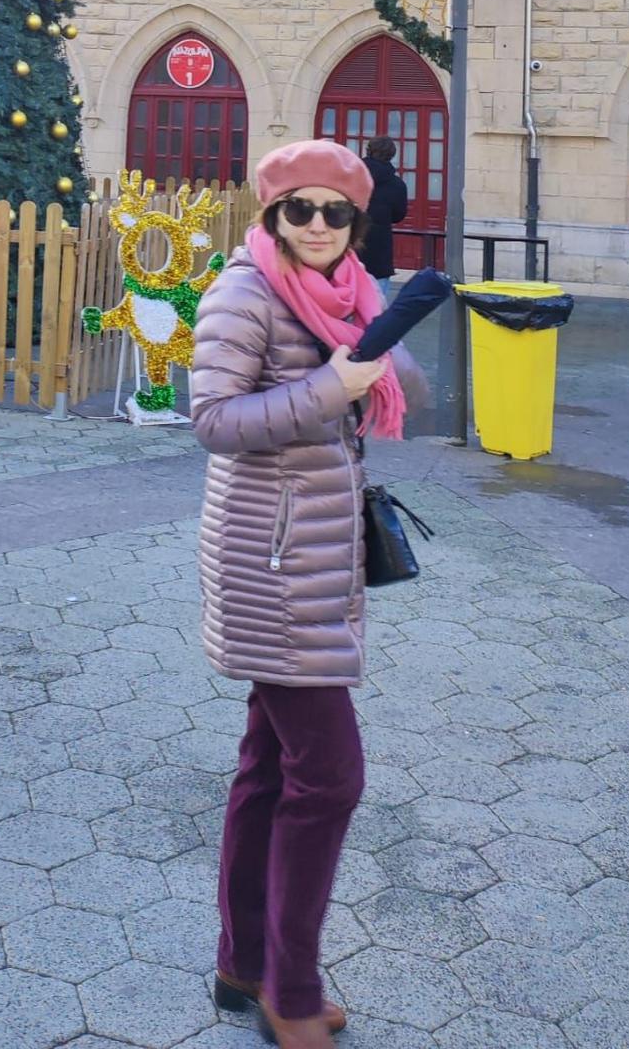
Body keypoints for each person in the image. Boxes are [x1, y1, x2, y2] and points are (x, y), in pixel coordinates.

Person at [190, 138, 426, 1048]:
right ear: (272, 217)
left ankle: (242, 962)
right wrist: (334, 385)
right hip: (271, 567)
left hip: (313, 557)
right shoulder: (244, 293)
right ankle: (288, 986)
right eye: (302, 211)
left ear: (357, 225)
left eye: (338, 213)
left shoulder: (349, 297)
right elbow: (211, 420)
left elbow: (373, 403)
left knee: (267, 766)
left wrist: (375, 380)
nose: (320, 227)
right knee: (328, 778)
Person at [360, 136, 408, 300]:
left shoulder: (353, 177)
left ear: (369, 151)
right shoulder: (397, 184)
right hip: (379, 249)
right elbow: (398, 215)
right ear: (392, 155)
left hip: (349, 246)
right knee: (375, 309)